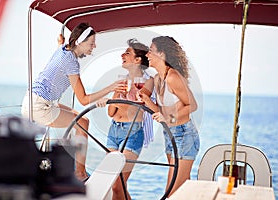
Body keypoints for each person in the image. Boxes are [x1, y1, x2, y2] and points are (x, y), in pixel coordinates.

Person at [21, 22, 122, 182]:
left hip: (33, 100)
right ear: (78, 42)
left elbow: (62, 45)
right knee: (82, 123)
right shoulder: (71, 63)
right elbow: (83, 99)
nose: (94, 47)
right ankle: (80, 174)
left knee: (84, 120)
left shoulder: (63, 50)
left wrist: (60, 42)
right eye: (91, 43)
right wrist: (110, 88)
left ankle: (78, 169)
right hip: (39, 107)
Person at [138, 36, 200, 197]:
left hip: (184, 136)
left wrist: (169, 118)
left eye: (151, 51)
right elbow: (161, 112)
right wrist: (145, 100)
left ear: (162, 54)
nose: (147, 55)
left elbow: (192, 105)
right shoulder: (159, 78)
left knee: (171, 192)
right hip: (170, 134)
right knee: (181, 189)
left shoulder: (173, 77)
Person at [96, 38, 154, 200]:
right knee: (116, 184)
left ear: (137, 60)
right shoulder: (121, 80)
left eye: (127, 53)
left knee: (117, 183)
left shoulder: (148, 81)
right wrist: (114, 95)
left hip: (133, 133)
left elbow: (135, 111)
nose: (122, 55)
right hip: (113, 131)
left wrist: (112, 101)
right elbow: (111, 112)